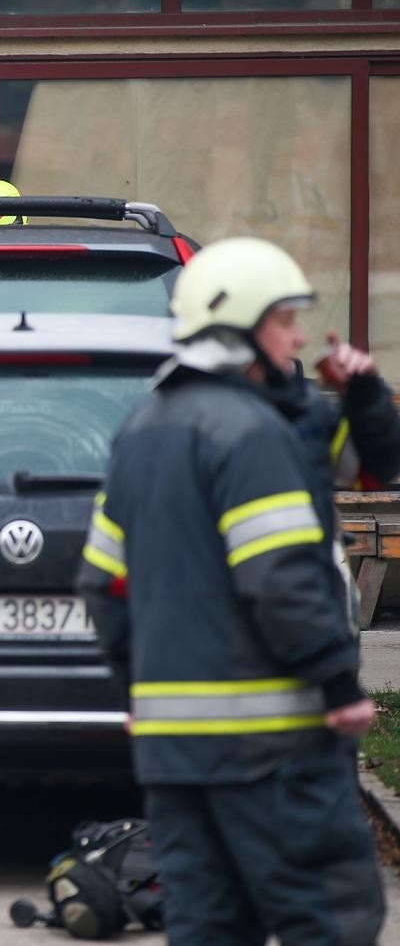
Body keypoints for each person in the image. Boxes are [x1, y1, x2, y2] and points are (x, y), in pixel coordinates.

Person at [76, 236, 390, 946]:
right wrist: (340, 689)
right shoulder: (249, 433)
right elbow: (281, 579)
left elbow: (101, 583)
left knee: (208, 925)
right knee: (327, 919)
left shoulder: (144, 429)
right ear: (241, 324)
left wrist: (135, 694)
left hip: (173, 752)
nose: (301, 335)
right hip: (273, 745)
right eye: (285, 318)